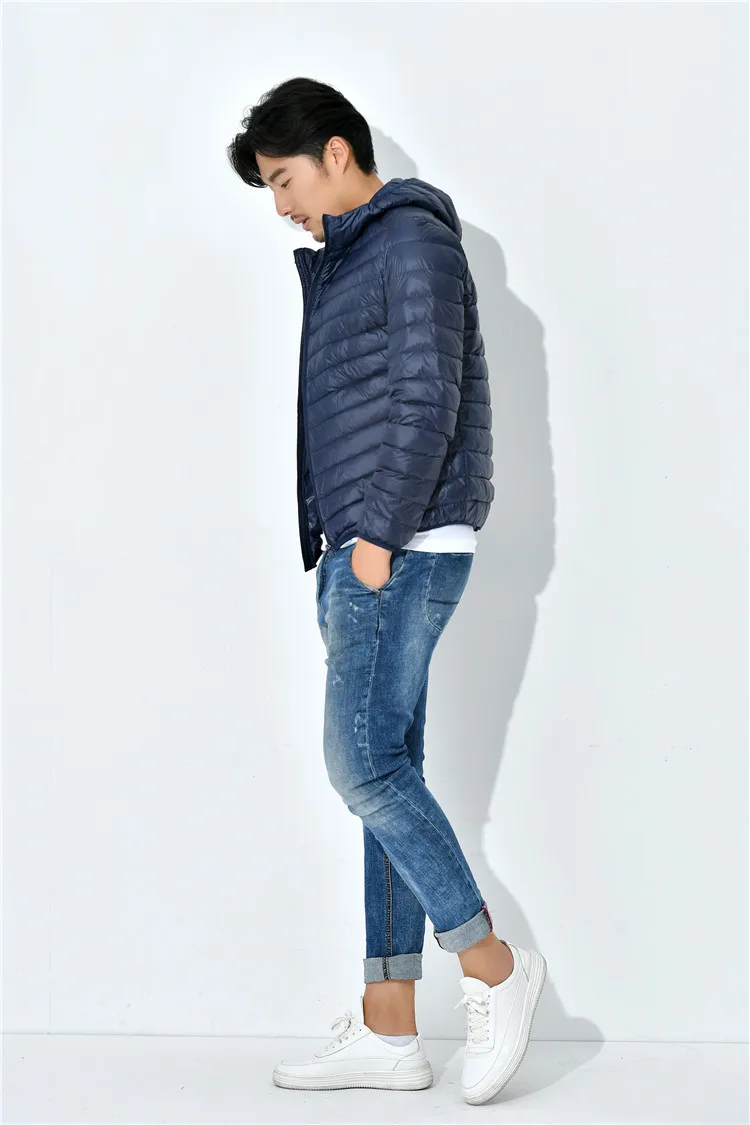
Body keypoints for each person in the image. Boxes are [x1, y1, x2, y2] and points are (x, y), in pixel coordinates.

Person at [226, 76, 546, 1105]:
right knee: (387, 772)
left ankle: (493, 963)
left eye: (284, 179)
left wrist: (375, 538)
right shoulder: (355, 254)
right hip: (369, 543)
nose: (282, 205)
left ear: (335, 151)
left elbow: (425, 393)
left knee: (361, 766)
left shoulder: (408, 241)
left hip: (397, 543)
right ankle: (389, 1025)